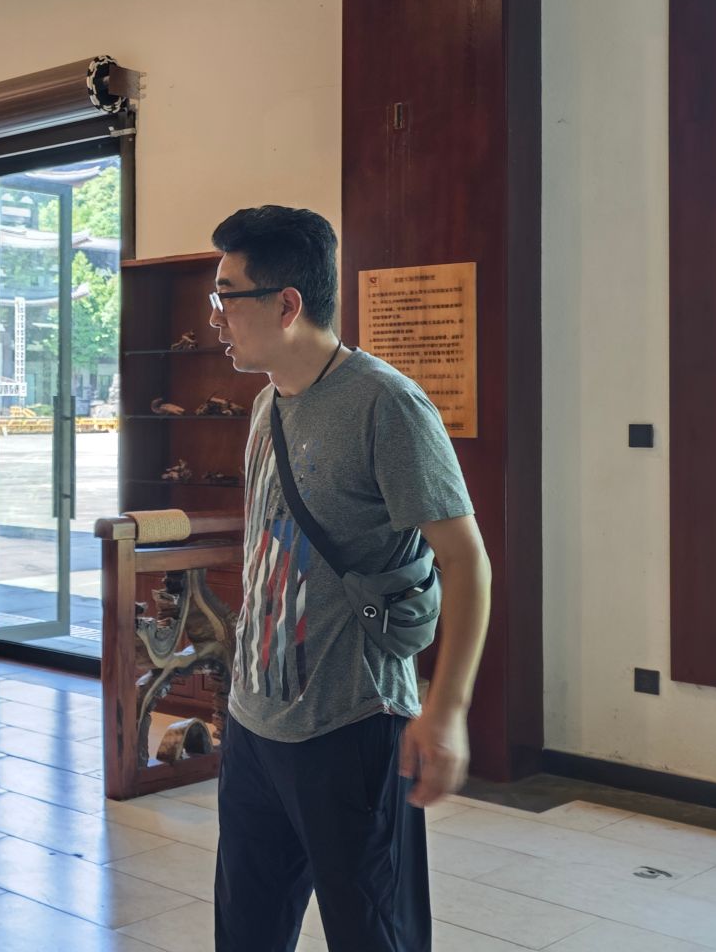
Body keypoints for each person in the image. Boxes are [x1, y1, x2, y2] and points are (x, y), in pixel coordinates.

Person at [206, 207, 492, 952]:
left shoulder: (385, 405)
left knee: (374, 936)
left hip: (352, 725)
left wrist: (446, 710)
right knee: (245, 935)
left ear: (286, 304)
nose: (216, 317)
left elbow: (466, 561)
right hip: (255, 725)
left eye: (227, 296)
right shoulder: (267, 402)